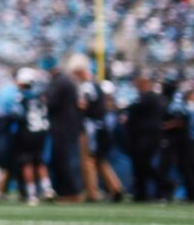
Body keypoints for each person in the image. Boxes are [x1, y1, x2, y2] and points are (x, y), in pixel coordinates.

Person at [69, 55, 123, 203]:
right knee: (99, 158)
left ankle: (92, 192)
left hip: (89, 127)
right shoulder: (96, 84)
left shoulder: (86, 87)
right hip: (100, 125)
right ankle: (115, 187)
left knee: (88, 160)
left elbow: (83, 105)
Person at [13, 67, 55, 206]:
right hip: (41, 131)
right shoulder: (40, 96)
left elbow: (17, 114)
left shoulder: (21, 97)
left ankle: (31, 194)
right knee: (40, 162)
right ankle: (47, 188)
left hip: (27, 132)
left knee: (27, 163)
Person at [44, 55, 83, 202]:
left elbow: (51, 104)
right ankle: (71, 192)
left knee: (63, 160)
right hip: (69, 126)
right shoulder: (67, 81)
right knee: (67, 160)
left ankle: (69, 193)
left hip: (62, 127)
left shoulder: (59, 82)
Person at [125, 71, 162, 202]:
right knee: (139, 165)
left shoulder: (149, 97)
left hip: (146, 137)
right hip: (141, 137)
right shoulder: (145, 97)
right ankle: (141, 193)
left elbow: (133, 107)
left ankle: (164, 184)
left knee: (143, 164)